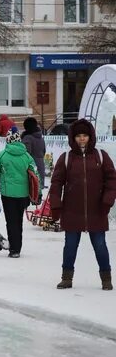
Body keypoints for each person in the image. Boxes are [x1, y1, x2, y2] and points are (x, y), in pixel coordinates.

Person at [49, 119, 116, 290]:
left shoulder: (101, 156)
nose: (82, 139)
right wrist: (56, 206)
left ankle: (106, 279)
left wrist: (107, 201)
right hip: (72, 211)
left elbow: (112, 181)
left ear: (90, 136)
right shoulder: (66, 158)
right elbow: (56, 183)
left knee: (100, 246)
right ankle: (66, 278)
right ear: (73, 137)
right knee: (70, 246)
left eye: (85, 135)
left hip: (97, 211)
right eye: (78, 136)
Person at [0, 127, 38, 258]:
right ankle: (17, 248)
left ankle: (14, 250)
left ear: (8, 140)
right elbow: (35, 174)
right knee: (19, 221)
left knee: (11, 222)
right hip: (23, 194)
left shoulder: (2, 155)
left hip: (8, 194)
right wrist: (37, 193)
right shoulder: (27, 156)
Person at [22, 117, 47, 189]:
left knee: (30, 190)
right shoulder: (41, 138)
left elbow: (25, 154)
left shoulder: (27, 138)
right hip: (41, 166)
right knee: (38, 191)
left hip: (31, 168)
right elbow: (44, 151)